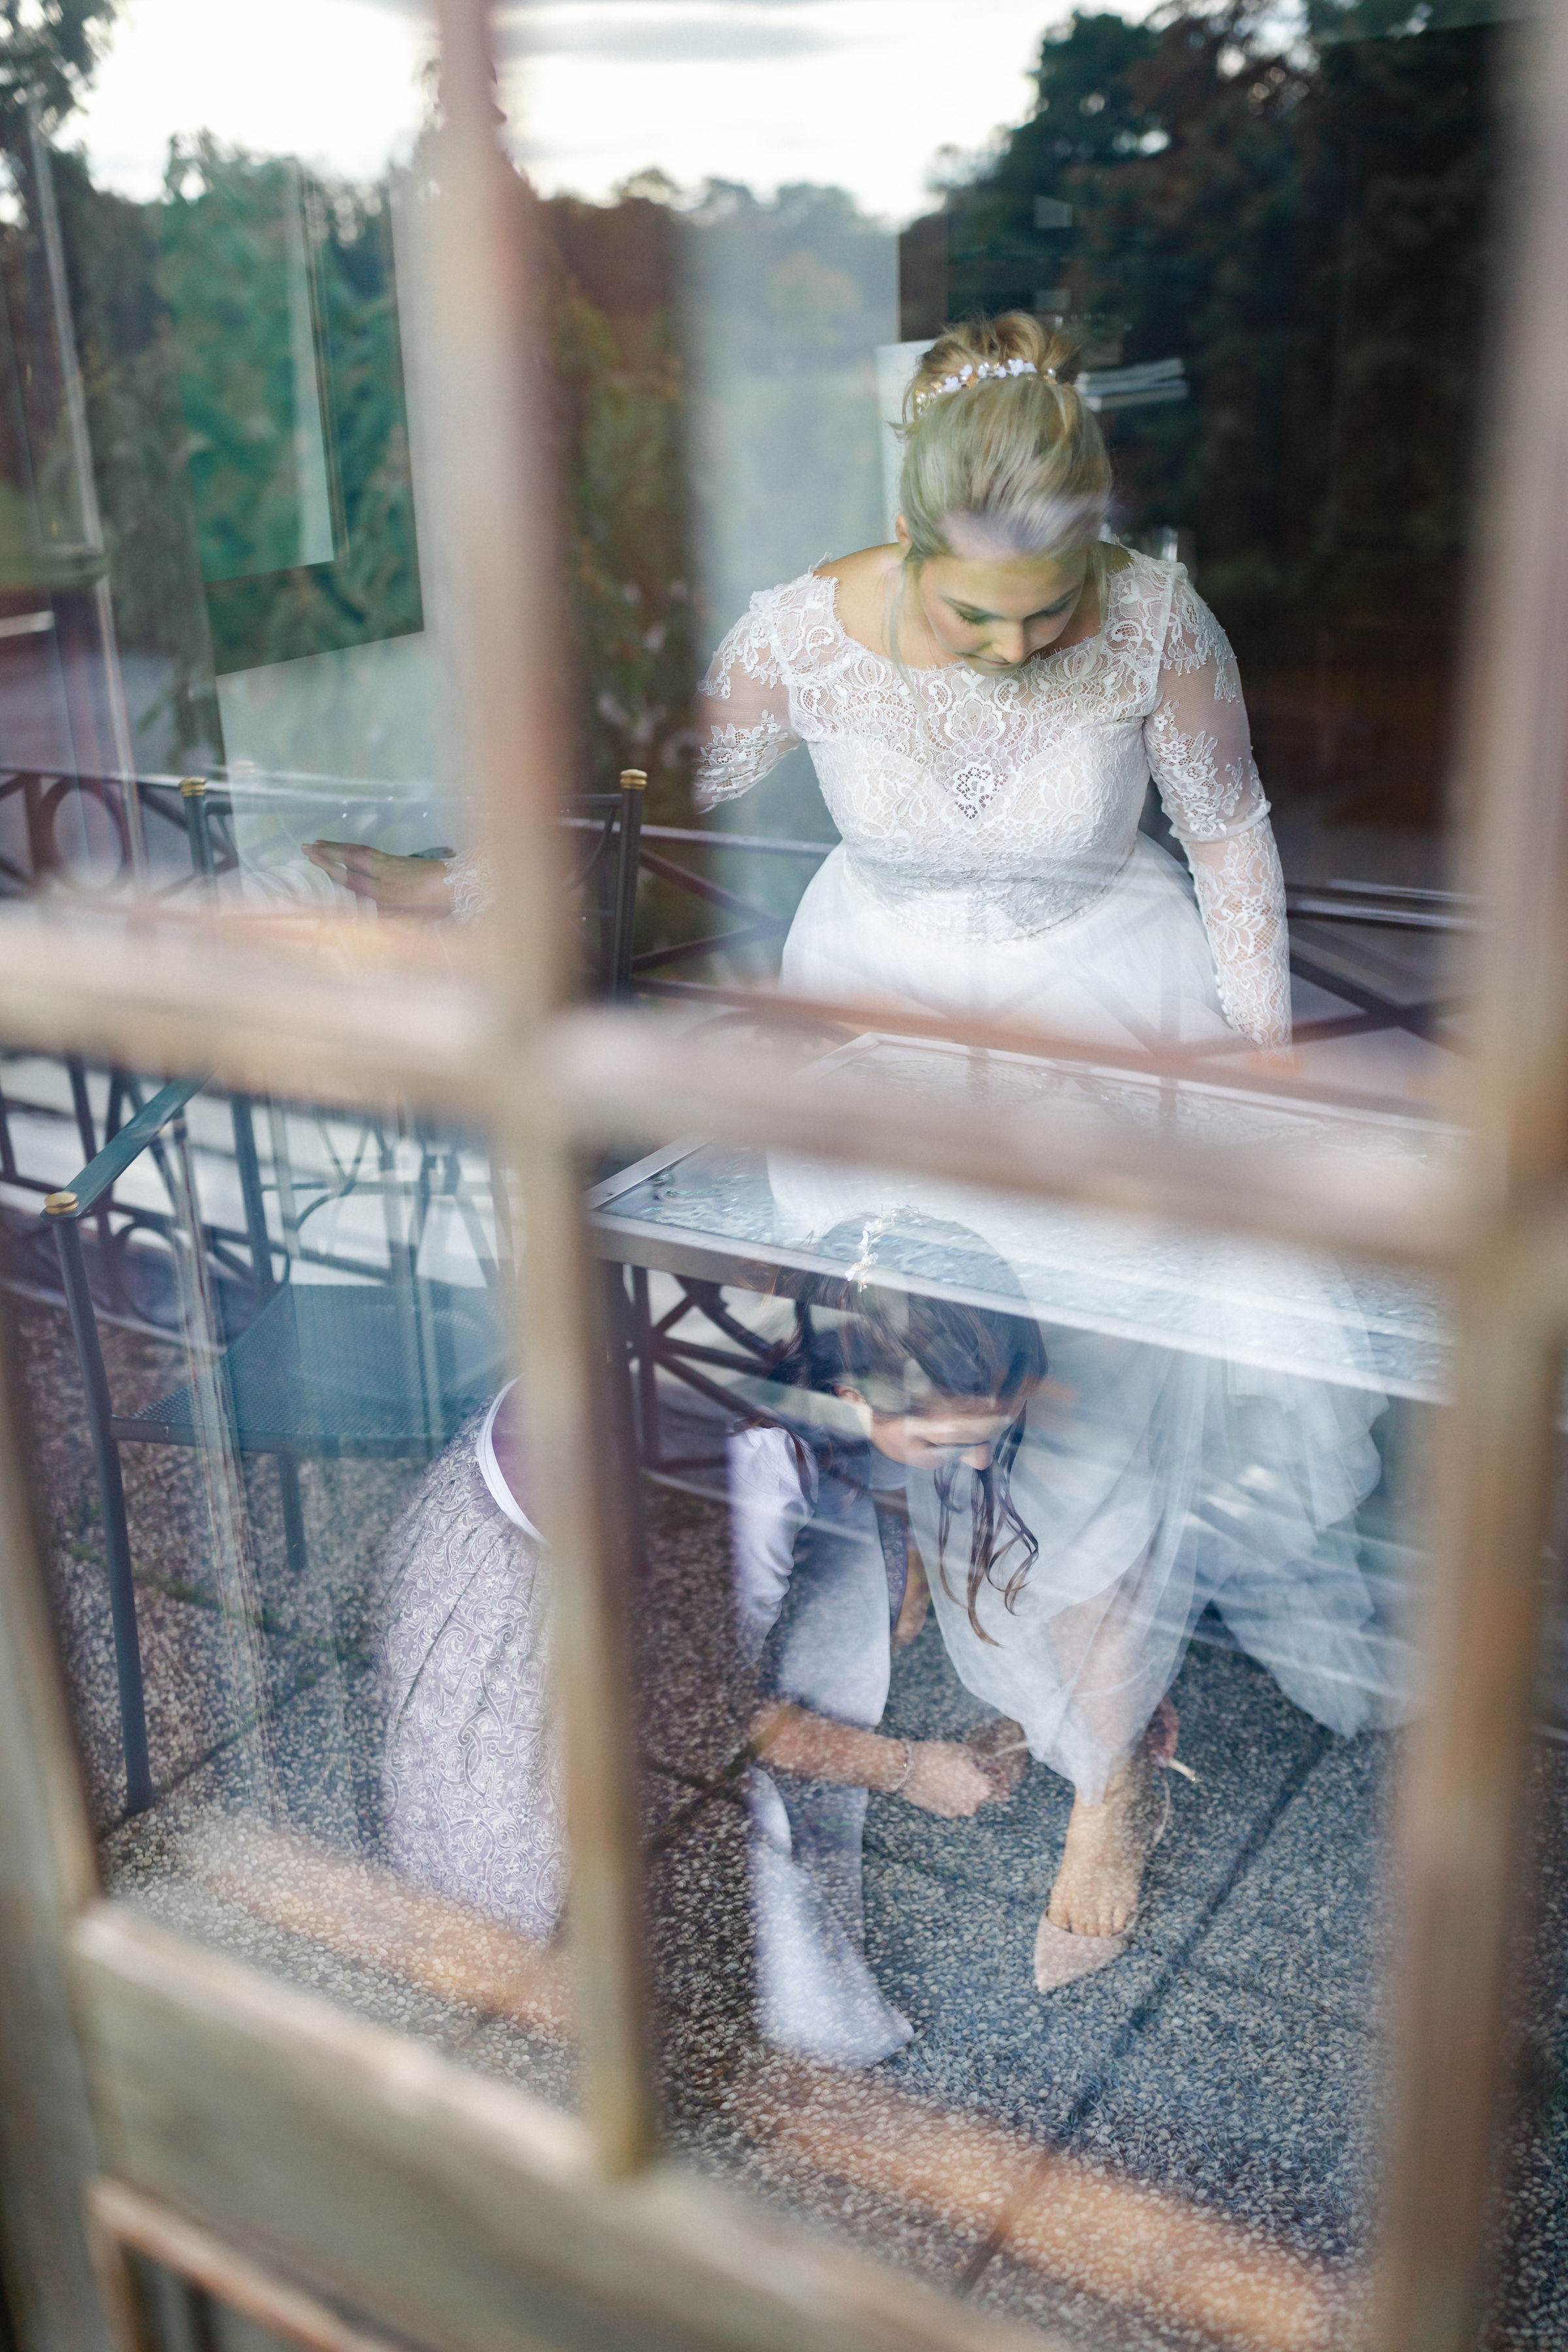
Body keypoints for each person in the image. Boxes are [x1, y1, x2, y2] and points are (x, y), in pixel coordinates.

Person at [375, 1241, 1045, 2061]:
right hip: (534, 1681)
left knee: (834, 1581)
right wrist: (909, 1768)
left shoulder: (781, 1310)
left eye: (990, 1438)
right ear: (848, 1396)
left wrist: (903, 1544)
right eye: (949, 1445)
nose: (977, 1463)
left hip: (481, 1543)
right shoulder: (750, 1477)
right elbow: (704, 1710)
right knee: (711, 1887)